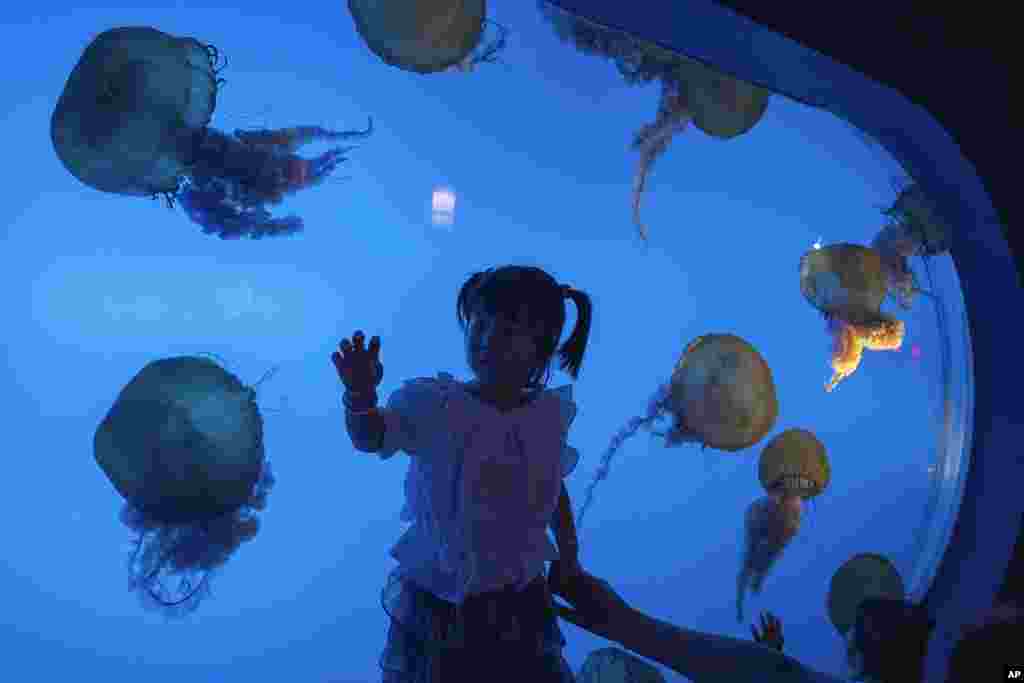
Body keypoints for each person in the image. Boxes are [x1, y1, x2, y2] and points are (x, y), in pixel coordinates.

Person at [331, 265, 594, 683]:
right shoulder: (437, 404)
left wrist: (570, 556)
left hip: (522, 606)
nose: (487, 338)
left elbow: (551, 485)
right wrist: (359, 397)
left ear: (541, 346)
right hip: (438, 606)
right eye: (479, 325)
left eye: (507, 329)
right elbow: (372, 438)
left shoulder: (547, 416)